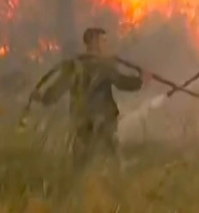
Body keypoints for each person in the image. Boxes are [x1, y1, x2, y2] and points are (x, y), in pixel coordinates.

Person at [35, 27, 152, 172]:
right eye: (103, 41)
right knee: (112, 158)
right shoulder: (103, 65)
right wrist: (141, 80)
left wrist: (43, 98)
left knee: (82, 162)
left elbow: (56, 91)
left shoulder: (74, 65)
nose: (106, 45)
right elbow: (122, 82)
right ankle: (113, 182)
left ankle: (80, 187)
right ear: (94, 42)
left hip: (81, 120)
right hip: (102, 120)